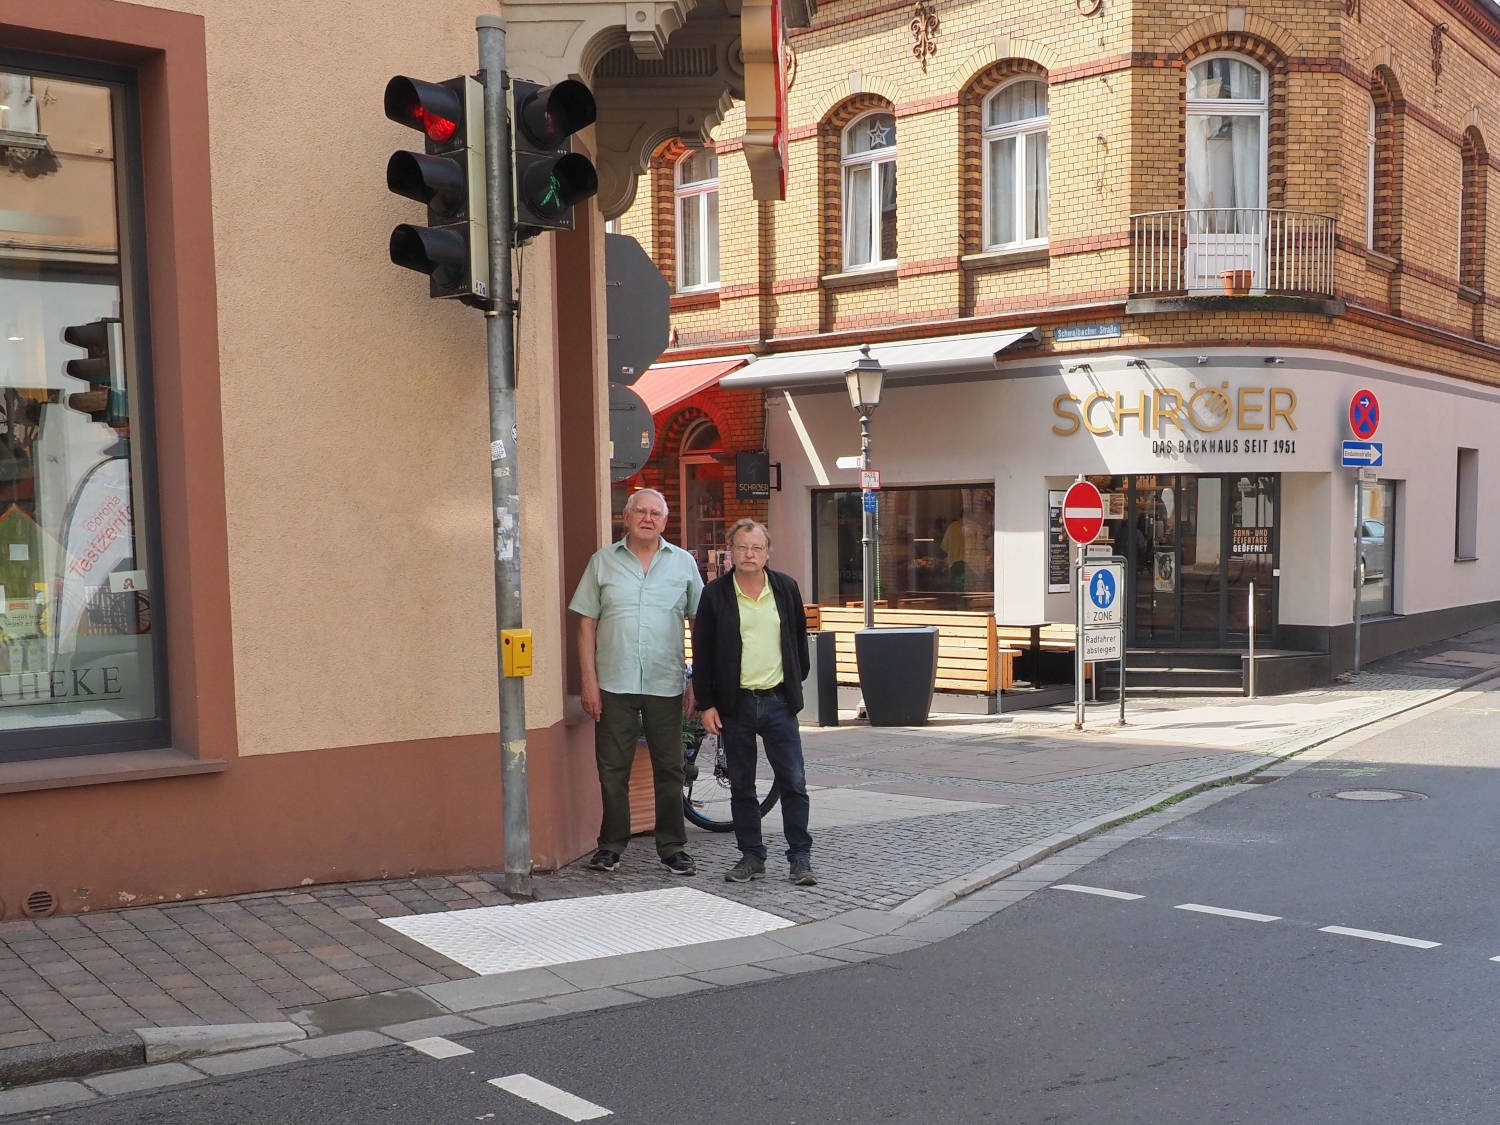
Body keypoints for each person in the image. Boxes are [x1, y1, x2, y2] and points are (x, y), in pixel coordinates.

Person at [569, 488, 703, 876]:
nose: (648, 518)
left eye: (655, 513)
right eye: (640, 511)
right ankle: (610, 846)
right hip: (613, 682)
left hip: (666, 680)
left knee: (670, 768)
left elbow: (701, 624)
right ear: (625, 517)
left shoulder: (683, 564)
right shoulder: (602, 563)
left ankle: (673, 847)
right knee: (612, 769)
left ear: (666, 520)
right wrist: (588, 682)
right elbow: (585, 625)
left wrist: (698, 681)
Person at [692, 518, 816, 886]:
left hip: (778, 701)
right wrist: (707, 704)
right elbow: (703, 653)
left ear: (767, 552)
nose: (749, 554)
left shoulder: (785, 588)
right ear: (731, 550)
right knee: (742, 785)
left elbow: (797, 639)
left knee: (793, 781)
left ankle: (800, 858)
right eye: (742, 547)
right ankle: (751, 856)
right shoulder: (715, 594)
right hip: (736, 705)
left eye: (756, 548)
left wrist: (794, 684)